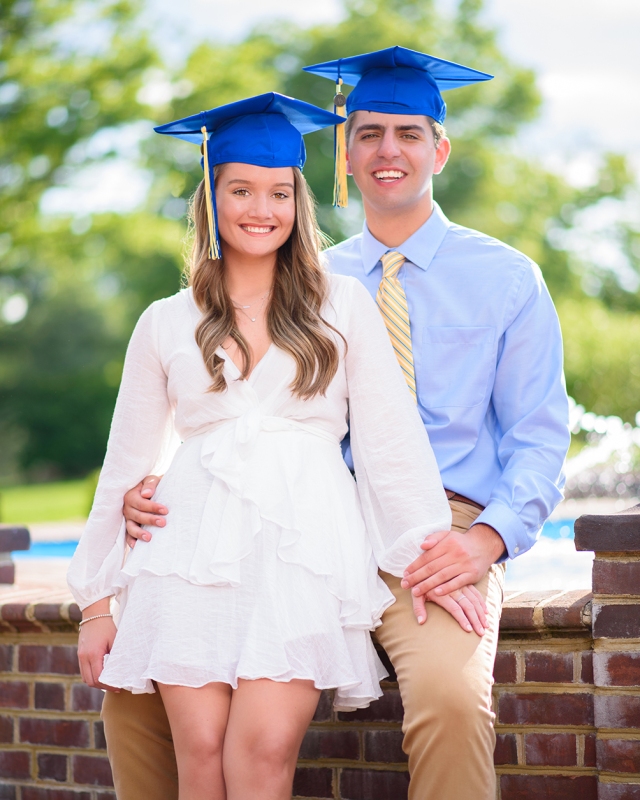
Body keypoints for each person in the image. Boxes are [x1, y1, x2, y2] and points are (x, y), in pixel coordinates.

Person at [120, 48, 571, 800]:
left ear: (440, 149)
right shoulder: (303, 276)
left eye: (409, 133)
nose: (388, 150)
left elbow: (539, 437)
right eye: (368, 133)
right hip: (298, 517)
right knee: (131, 691)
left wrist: (485, 539)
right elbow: (220, 393)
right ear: (343, 153)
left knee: (452, 700)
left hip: (431, 535)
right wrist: (158, 480)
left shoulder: (506, 277)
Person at [68, 91, 486, 800]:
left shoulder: (341, 302)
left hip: (303, 551)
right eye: (240, 190)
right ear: (211, 196)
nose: (261, 209)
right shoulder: (165, 321)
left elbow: (390, 441)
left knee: (260, 755)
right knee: (198, 755)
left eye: (279, 192)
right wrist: (96, 603)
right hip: (188, 555)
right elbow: (126, 464)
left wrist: (426, 556)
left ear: (299, 201)